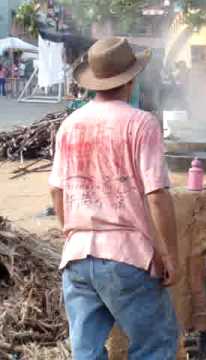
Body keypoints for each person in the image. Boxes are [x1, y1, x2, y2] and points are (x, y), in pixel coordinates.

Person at [49, 37, 179, 359]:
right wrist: (168, 254)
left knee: (87, 352)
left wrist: (71, 232)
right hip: (126, 257)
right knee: (156, 345)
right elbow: (157, 195)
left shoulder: (69, 125)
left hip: (77, 258)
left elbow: (56, 189)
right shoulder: (142, 124)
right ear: (131, 79)